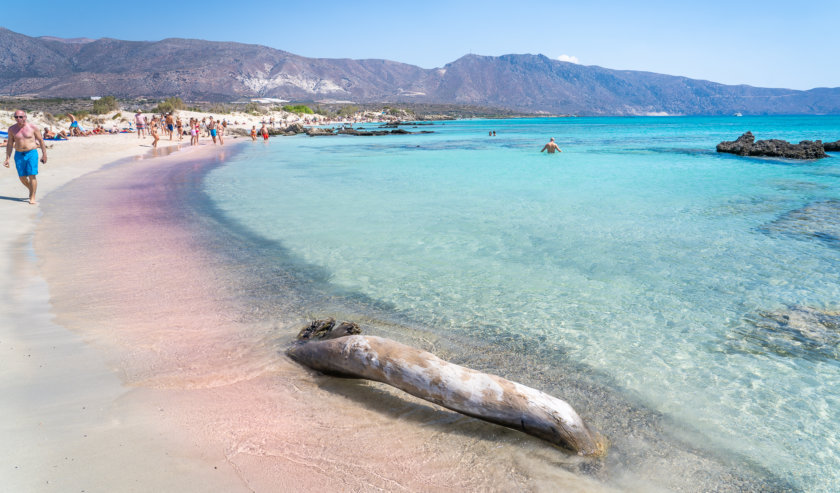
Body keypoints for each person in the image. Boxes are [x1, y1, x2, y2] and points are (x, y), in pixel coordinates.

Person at [4, 110, 47, 204]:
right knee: (22, 177)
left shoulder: (33, 127)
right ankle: (31, 189)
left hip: (31, 153)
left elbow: (41, 141)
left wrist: (44, 154)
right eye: (16, 117)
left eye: (20, 117)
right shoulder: (11, 129)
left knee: (32, 175)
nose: (18, 119)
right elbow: (10, 144)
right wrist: (7, 158)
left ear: (25, 117)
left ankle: (32, 197)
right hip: (19, 154)